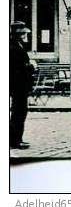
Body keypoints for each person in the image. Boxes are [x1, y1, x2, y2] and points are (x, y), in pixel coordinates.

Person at [10, 21, 35, 149]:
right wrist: (31, 66)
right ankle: (15, 141)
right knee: (18, 113)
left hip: (19, 85)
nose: (26, 35)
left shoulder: (17, 46)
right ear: (19, 34)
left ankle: (16, 139)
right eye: (24, 33)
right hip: (18, 85)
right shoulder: (14, 48)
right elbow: (17, 69)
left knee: (19, 112)